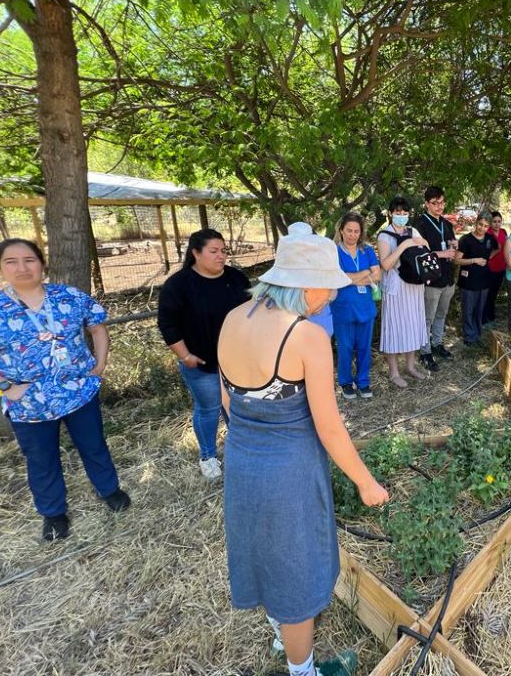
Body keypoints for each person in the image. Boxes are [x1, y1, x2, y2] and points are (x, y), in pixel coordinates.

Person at [217, 228, 389, 676]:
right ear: (305, 283)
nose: (330, 296)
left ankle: (282, 636)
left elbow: (227, 401)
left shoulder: (232, 317)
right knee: (295, 570)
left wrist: (256, 440)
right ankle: (303, 669)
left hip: (242, 461)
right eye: (327, 287)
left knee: (264, 555)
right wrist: (366, 483)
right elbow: (329, 428)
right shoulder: (306, 337)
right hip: (290, 473)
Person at [0, 238, 130, 542]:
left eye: (29, 260)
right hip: (29, 404)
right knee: (41, 460)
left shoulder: (69, 296)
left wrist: (100, 363)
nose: (22, 267)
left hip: (78, 392)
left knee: (94, 445)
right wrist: (5, 387)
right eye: (11, 262)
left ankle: (109, 490)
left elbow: (97, 326)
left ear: (42, 264)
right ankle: (53, 513)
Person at [158, 229, 250, 480]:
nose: (221, 256)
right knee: (209, 409)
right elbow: (168, 324)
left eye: (223, 251)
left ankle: (241, 450)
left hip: (237, 361)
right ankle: (208, 456)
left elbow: (252, 313)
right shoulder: (179, 285)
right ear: (196, 253)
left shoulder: (236, 278)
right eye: (214, 251)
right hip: (201, 363)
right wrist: (185, 356)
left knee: (238, 407)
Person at [377, 197, 431, 388]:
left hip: (414, 286)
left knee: (412, 326)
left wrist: (424, 243)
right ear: (390, 214)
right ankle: (394, 372)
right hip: (395, 288)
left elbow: (425, 251)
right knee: (394, 328)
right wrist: (404, 246)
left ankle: (410, 366)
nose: (401, 216)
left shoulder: (412, 231)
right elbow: (385, 265)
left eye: (405, 212)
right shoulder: (384, 236)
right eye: (398, 212)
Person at [330, 212, 380, 400]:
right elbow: (338, 279)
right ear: (341, 230)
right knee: (345, 347)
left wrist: (350, 278)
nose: (352, 235)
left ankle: (363, 381)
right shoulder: (334, 252)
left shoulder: (367, 250)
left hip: (365, 307)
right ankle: (345, 382)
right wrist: (365, 273)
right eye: (349, 230)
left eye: (356, 231)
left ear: (361, 232)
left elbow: (377, 275)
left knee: (364, 347)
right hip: (343, 308)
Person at [414, 186, 457, 372]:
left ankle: (437, 343)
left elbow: (451, 245)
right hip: (431, 279)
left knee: (441, 314)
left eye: (441, 202)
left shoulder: (446, 224)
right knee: (427, 317)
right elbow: (419, 253)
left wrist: (454, 245)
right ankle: (425, 352)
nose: (439, 206)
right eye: (434, 203)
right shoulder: (420, 225)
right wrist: (442, 253)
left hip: (448, 277)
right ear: (426, 204)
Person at [455, 213, 499, 347]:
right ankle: (469, 336)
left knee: (480, 309)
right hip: (468, 280)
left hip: (484, 278)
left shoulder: (490, 238)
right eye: (480, 224)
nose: (482, 228)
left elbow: (497, 248)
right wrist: (474, 260)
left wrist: (488, 258)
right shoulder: (466, 240)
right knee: (468, 309)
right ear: (476, 222)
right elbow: (457, 260)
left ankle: (477, 334)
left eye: (486, 226)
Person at [483, 211, 508, 326]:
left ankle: (491, 314)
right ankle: (484, 317)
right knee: (488, 293)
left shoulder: (503, 232)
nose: (497, 224)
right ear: (490, 222)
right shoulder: (487, 233)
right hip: (489, 268)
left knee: (494, 293)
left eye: (499, 221)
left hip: (501, 267)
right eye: (494, 222)